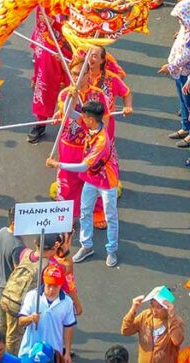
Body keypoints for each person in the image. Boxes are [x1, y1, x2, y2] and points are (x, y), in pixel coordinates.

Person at [48, 100, 120, 267]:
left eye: (84, 117)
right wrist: (71, 95)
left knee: (111, 217)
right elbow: (68, 112)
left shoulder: (101, 140)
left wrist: (57, 164)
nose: (81, 119)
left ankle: (111, 250)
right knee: (85, 212)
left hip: (107, 182)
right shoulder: (91, 124)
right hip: (91, 179)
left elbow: (84, 165)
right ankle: (86, 246)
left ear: (90, 119)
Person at [16, 264, 76, 361]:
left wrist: (67, 352)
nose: (51, 289)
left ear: (61, 284)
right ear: (44, 281)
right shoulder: (32, 296)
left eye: (55, 286)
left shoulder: (67, 302)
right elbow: (21, 321)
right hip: (29, 351)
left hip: (53, 354)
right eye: (49, 285)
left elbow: (68, 327)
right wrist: (30, 318)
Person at [119, 286, 184, 363]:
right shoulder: (145, 316)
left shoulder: (176, 321)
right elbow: (125, 331)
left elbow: (177, 341)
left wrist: (172, 317)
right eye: (152, 305)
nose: (154, 310)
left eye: (159, 307)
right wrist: (133, 309)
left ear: (167, 307)